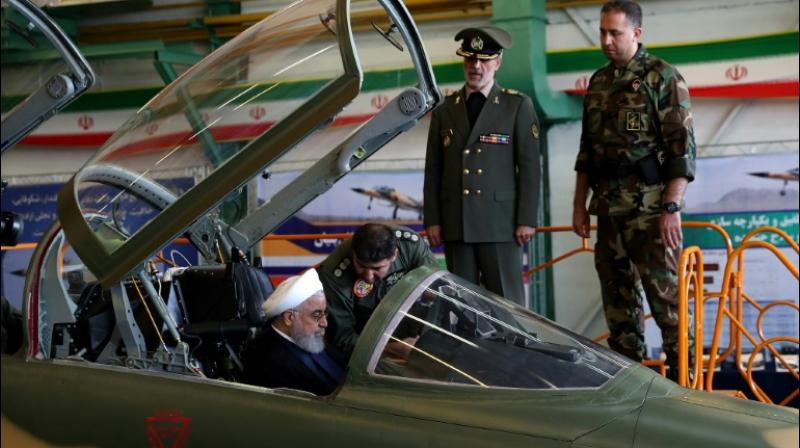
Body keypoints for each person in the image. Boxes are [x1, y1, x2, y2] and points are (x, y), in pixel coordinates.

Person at [571, 1, 696, 374]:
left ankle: (684, 390)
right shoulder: (598, 82)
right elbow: (586, 153)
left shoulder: (663, 77)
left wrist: (671, 209)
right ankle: (632, 391)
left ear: (636, 34)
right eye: (603, 33)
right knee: (618, 311)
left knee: (668, 307)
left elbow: (682, 151)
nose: (607, 41)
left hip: (651, 212)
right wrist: (579, 205)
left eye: (616, 33)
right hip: (609, 211)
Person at [423, 26, 540, 306]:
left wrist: (526, 218)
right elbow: (433, 169)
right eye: (469, 59)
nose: (476, 66)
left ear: (497, 62)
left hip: (500, 224)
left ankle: (513, 352)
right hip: (457, 223)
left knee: (507, 305)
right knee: (463, 305)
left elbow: (530, 168)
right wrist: (433, 219)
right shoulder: (445, 109)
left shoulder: (516, 106)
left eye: (484, 60)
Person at [319, 223, 437, 355]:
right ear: (353, 254)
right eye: (361, 266)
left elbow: (437, 289)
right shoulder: (335, 273)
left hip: (411, 324)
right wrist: (390, 350)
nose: (368, 276)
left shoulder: (409, 246)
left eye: (377, 268)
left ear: (394, 255)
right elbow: (342, 338)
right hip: (367, 339)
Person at [243, 269, 345, 395]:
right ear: (289, 318)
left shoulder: (305, 336)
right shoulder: (269, 363)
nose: (325, 323)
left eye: (325, 313)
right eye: (317, 315)